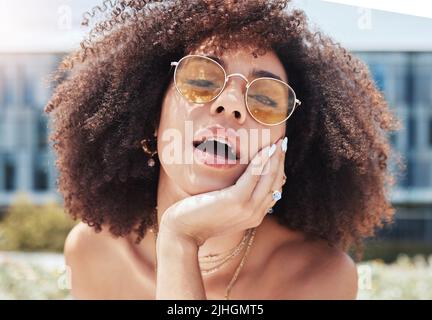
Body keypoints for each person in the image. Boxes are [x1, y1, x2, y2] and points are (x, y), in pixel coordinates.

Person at [44, 0, 402, 300]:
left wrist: (180, 240)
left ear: (286, 142)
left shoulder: (320, 276)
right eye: (201, 80)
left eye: (265, 97)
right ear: (152, 115)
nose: (232, 104)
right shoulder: (92, 252)